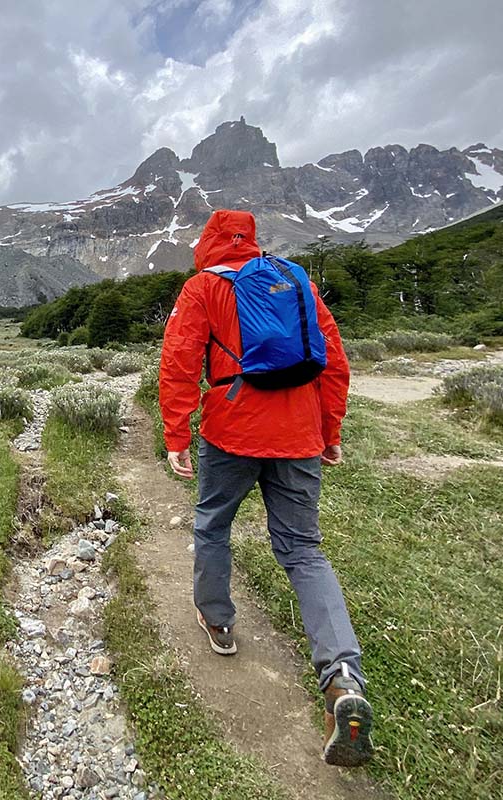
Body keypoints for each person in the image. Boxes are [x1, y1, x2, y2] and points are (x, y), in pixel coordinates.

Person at [158, 208, 373, 768]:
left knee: (213, 523)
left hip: (232, 431)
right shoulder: (295, 279)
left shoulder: (204, 286)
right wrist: (330, 430)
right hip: (300, 433)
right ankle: (342, 679)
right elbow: (333, 360)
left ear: (208, 243)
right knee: (303, 550)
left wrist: (176, 433)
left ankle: (219, 620)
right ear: (252, 241)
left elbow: (180, 361)